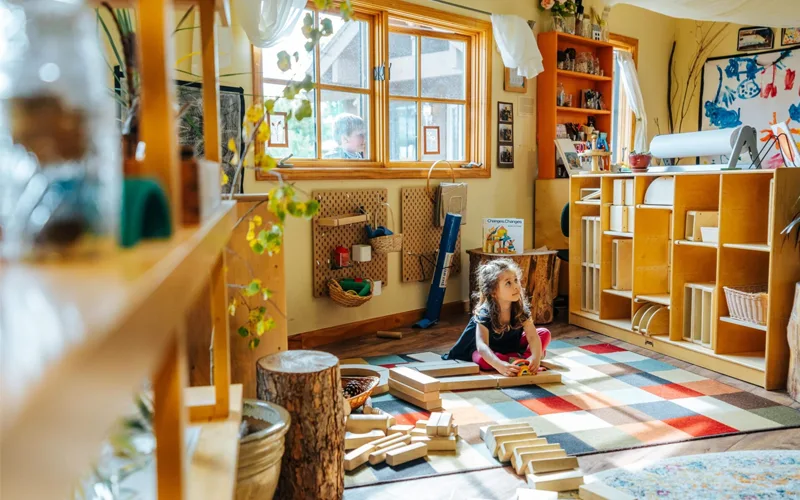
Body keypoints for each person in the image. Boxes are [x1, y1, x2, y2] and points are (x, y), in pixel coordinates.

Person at [444, 259, 551, 376]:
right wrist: (499, 365)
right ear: (494, 291)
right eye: (508, 283)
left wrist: (535, 358)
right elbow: (482, 346)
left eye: (516, 280)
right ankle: (514, 360)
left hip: (511, 345)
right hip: (490, 351)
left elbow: (532, 336)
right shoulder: (484, 313)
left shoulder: (521, 309)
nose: (516, 286)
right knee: (481, 359)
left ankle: (522, 360)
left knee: (544, 333)